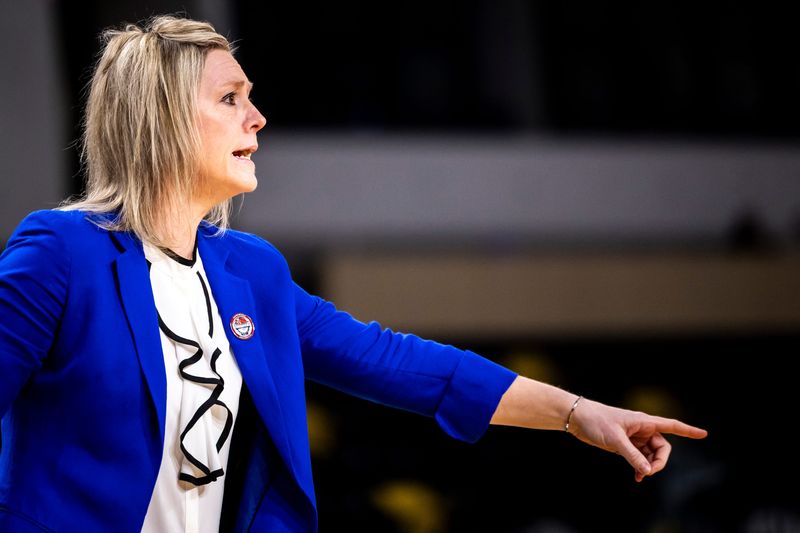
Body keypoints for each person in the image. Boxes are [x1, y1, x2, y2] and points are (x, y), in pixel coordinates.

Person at [0, 15, 707, 533]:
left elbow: (395, 361)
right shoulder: (61, 252)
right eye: (230, 99)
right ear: (164, 120)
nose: (259, 116)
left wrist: (577, 411)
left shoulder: (252, 270)